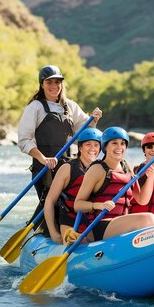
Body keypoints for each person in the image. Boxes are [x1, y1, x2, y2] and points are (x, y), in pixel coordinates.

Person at [17, 65, 102, 222]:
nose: (54, 86)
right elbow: (24, 140)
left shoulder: (70, 106)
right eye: (49, 82)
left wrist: (94, 118)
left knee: (69, 201)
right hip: (44, 167)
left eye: (57, 82)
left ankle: (71, 231)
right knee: (51, 202)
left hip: (69, 165)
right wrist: (42, 159)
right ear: (42, 84)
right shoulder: (35, 107)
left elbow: (84, 130)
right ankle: (36, 230)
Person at [71, 127, 154, 243]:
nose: (119, 147)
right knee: (148, 218)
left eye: (122, 144)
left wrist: (150, 178)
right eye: (114, 143)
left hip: (120, 223)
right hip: (98, 226)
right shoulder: (97, 169)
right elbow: (78, 204)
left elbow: (142, 200)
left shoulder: (126, 167)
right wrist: (100, 205)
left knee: (149, 217)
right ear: (105, 146)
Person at [40, 127, 102, 244]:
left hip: (91, 222)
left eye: (96, 145)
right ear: (80, 147)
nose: (92, 149)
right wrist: (54, 233)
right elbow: (50, 201)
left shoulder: (101, 169)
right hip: (70, 222)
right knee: (80, 242)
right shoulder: (67, 168)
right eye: (88, 144)